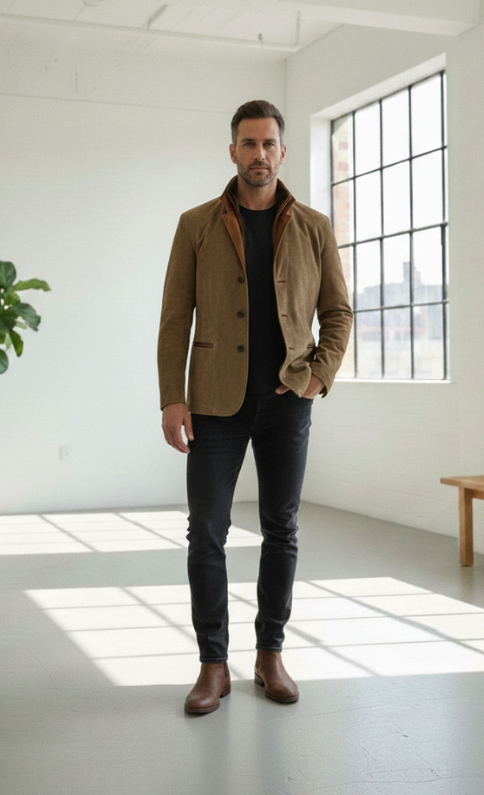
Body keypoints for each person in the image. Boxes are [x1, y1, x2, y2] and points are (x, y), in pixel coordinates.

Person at [158, 100, 353, 714]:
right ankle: (212, 666)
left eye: (269, 144)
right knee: (206, 533)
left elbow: (338, 313)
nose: (259, 154)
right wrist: (172, 398)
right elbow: (174, 318)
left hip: (287, 401)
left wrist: (317, 378)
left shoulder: (315, 227)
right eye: (248, 143)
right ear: (233, 151)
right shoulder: (196, 224)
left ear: (282, 152)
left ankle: (270, 654)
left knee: (281, 530)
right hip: (214, 403)